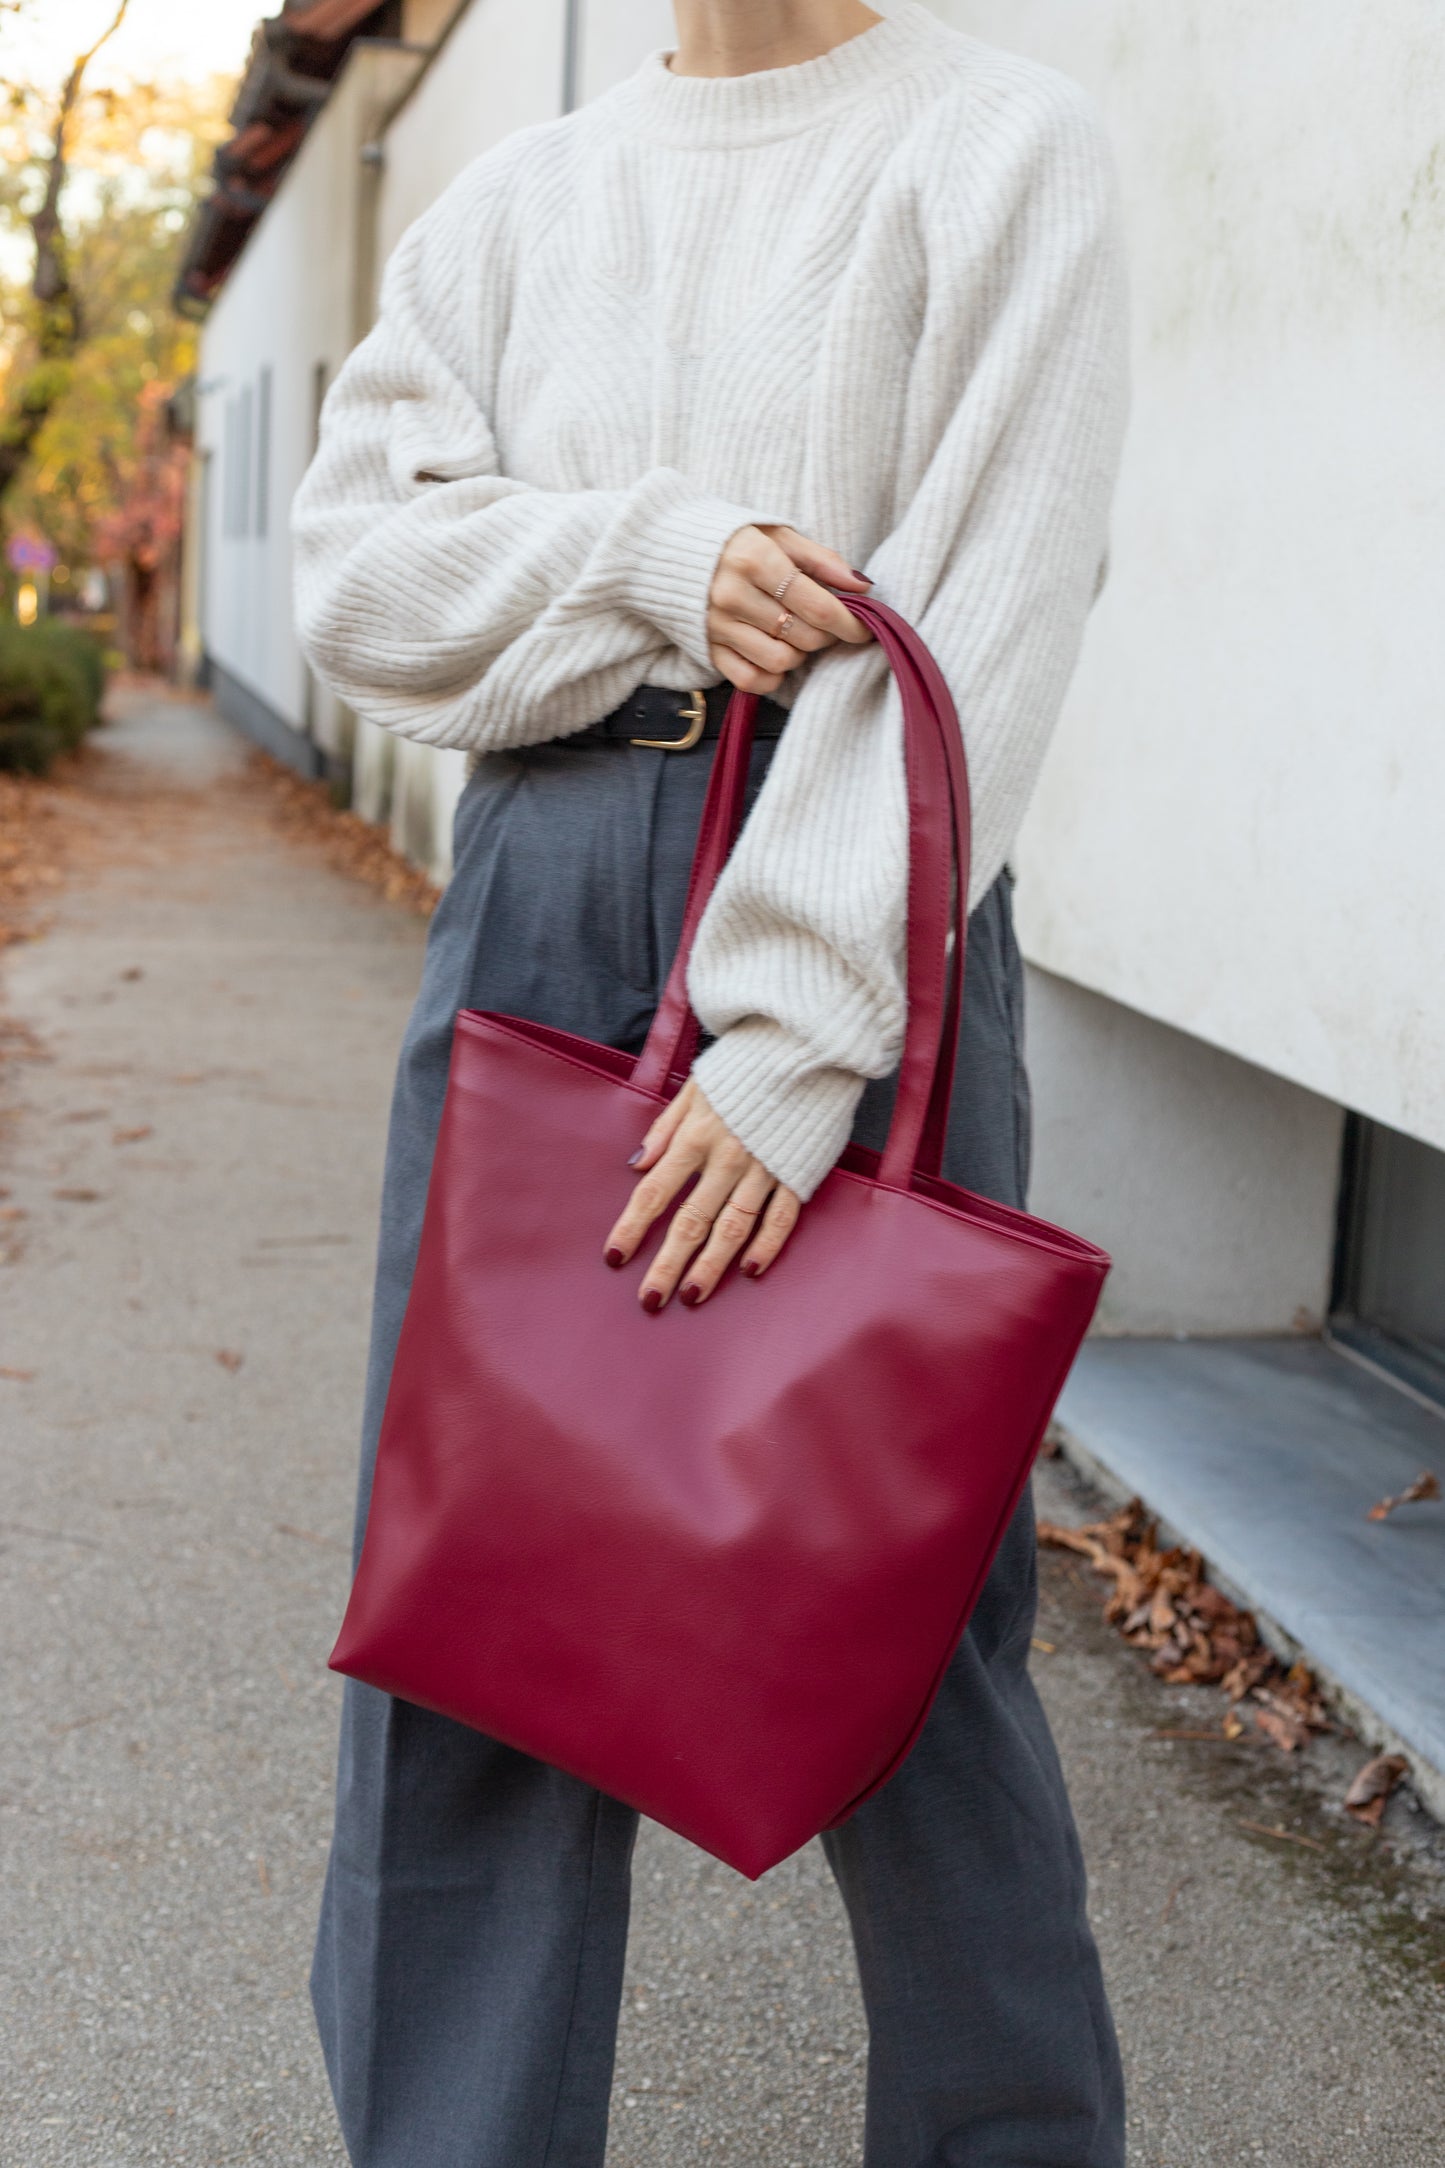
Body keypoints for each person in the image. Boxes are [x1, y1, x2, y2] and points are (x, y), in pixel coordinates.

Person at [292, 1, 1130, 2160]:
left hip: (858, 902)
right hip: (546, 885)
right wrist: (644, 560)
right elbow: (358, 577)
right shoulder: (513, 206)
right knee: (474, 1601)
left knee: (907, 1612)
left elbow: (996, 595)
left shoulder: (999, 154)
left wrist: (798, 1031)